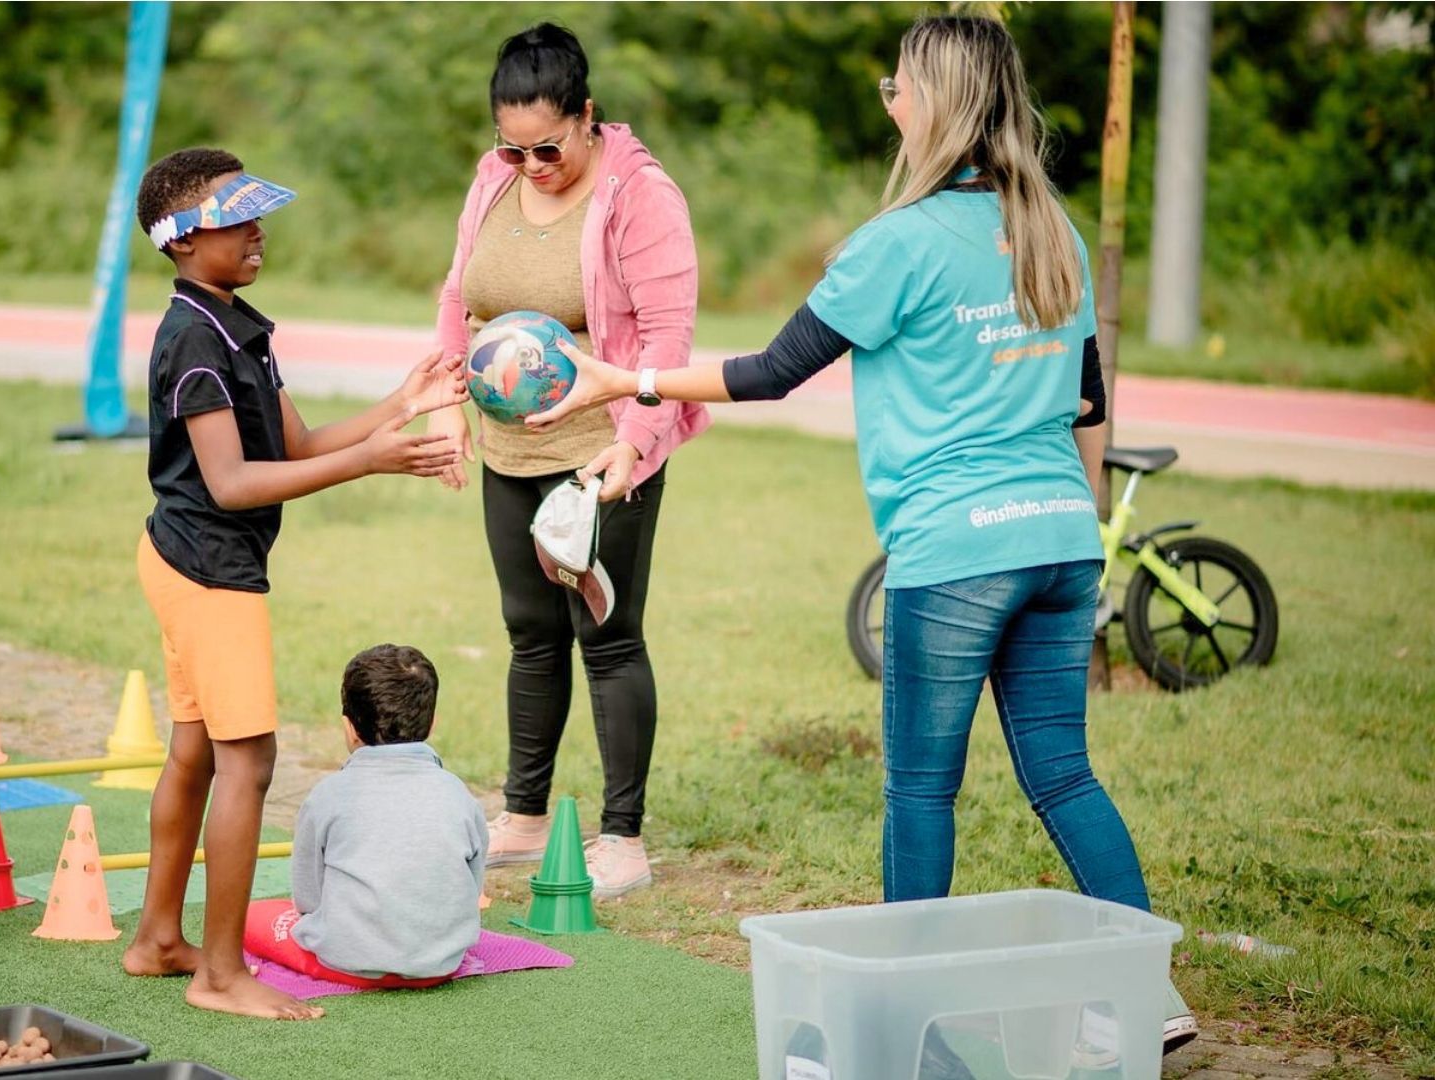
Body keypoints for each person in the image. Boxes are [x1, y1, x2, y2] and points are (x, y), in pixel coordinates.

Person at [530, 13, 1197, 1055]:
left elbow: (772, 370)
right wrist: (1081, 525)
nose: (889, 99)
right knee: (1064, 775)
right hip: (1062, 541)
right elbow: (1088, 402)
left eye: (896, 87)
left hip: (956, 552)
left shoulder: (895, 245)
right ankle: (1153, 1000)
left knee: (920, 790)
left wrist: (630, 379)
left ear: (922, 105)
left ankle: (899, 1023)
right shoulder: (1053, 229)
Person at [118, 147, 468, 1020]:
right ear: (183, 240)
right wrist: (371, 464)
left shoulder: (237, 324)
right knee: (249, 760)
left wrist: (399, 406)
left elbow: (296, 446)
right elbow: (234, 483)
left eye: (256, 211)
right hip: (209, 568)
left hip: (184, 555)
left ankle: (162, 937)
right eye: (234, 216)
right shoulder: (195, 339)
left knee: (197, 747)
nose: (255, 227)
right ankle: (222, 974)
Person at [430, 23, 709, 898]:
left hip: (602, 453)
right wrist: (450, 402)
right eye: (514, 149)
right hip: (511, 449)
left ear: (588, 117)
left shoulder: (640, 197)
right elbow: (457, 296)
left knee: (608, 636)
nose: (532, 165)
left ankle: (623, 837)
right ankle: (525, 812)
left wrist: (632, 442)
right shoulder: (494, 179)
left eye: (548, 146)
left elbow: (667, 338)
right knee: (529, 631)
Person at [244, 644, 486, 990]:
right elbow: (471, 887)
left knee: (251, 916)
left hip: (348, 961)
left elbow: (308, 900)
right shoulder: (460, 794)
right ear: (432, 724)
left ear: (349, 727)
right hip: (440, 963)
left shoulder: (327, 794)